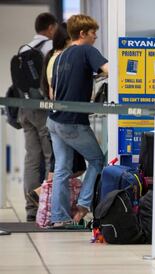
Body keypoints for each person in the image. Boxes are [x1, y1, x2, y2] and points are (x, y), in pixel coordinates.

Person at [47, 14, 108, 227]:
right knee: (97, 160)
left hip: (54, 120)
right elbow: (111, 71)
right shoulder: (87, 50)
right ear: (82, 34)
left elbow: (54, 90)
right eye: (93, 33)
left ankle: (59, 218)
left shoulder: (60, 57)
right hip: (73, 121)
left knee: (62, 169)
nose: (95, 38)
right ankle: (83, 205)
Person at [26, 23, 85, 208]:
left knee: (56, 162)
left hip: (51, 114)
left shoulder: (51, 56)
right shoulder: (60, 57)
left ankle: (50, 200)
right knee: (63, 164)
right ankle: (46, 195)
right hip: (63, 117)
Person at [19, 13, 58, 221]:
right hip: (43, 108)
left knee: (31, 159)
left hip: (24, 108)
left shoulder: (24, 49)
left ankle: (30, 209)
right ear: (51, 28)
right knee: (49, 157)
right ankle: (46, 206)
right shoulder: (48, 48)